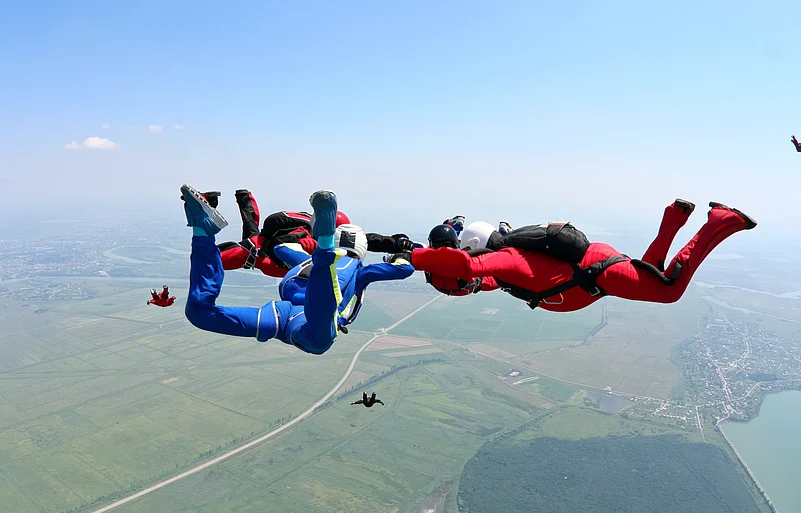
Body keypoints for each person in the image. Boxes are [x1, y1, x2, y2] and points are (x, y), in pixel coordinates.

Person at [390, 200, 756, 312]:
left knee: (668, 290)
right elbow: (472, 282)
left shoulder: (506, 258)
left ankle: (718, 222)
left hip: (598, 272)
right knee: (652, 274)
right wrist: (434, 269)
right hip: (598, 269)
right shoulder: (505, 271)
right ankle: (673, 218)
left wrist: (416, 257)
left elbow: (468, 267)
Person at [180, 184, 415, 354]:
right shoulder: (360, 271)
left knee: (199, 313)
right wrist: (400, 255)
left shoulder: (304, 257)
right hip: (304, 316)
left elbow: (282, 248)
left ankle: (203, 231)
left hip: (285, 313)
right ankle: (202, 232)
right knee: (318, 339)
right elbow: (404, 269)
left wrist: (300, 245)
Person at [216, 189, 418, 277]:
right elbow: (276, 245)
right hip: (261, 253)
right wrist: (298, 245)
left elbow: (369, 240)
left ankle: (244, 197)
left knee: (250, 237)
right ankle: (241, 199)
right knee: (216, 260)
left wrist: (397, 243)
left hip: (266, 254)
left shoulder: (335, 235)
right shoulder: (305, 234)